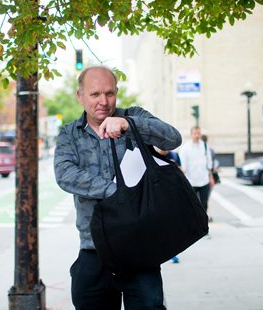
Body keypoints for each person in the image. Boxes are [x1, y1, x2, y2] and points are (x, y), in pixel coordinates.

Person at [54, 66, 182, 310]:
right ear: (80, 96)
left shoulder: (134, 116)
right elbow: (65, 175)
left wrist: (128, 123)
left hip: (140, 248)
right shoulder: (69, 134)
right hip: (94, 248)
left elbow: (173, 138)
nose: (103, 101)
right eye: (95, 94)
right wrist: (121, 193)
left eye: (109, 93)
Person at [179, 126, 215, 217]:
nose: (197, 135)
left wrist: (211, 178)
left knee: (204, 205)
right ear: (191, 134)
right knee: (192, 206)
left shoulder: (205, 146)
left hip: (204, 180)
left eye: (198, 133)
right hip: (191, 181)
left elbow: (209, 163)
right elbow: (183, 166)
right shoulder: (185, 148)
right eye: (195, 133)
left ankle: (203, 226)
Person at [155, 147, 181, 263]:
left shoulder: (174, 156)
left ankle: (173, 252)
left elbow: (180, 172)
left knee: (172, 225)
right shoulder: (152, 154)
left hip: (171, 193)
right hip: (158, 194)